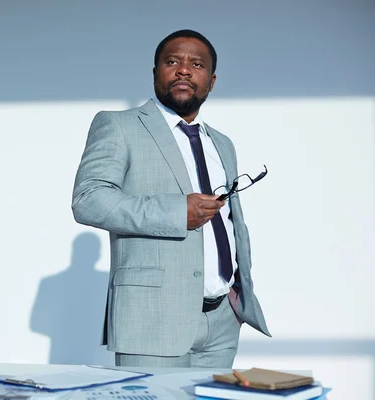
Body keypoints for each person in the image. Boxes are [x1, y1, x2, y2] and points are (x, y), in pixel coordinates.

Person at [71, 29, 270, 368]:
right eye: (172, 61)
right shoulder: (119, 125)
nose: (184, 70)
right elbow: (89, 199)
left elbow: (232, 223)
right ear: (155, 73)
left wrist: (237, 291)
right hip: (153, 319)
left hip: (223, 320)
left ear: (211, 80)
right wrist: (178, 213)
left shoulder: (222, 143)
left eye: (197, 64)